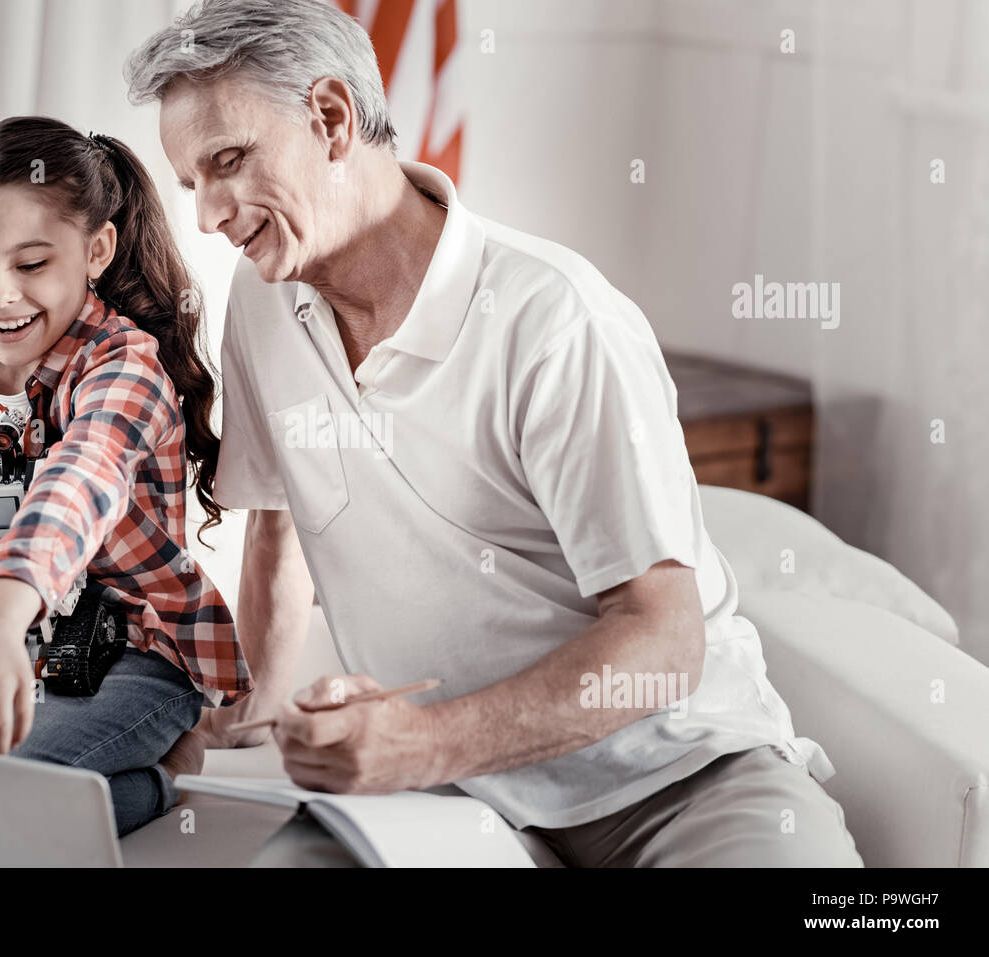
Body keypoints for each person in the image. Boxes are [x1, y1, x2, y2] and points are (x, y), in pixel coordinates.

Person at [125, 0, 863, 866]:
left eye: (229, 162)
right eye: (192, 184)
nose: (209, 215)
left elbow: (664, 635)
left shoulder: (554, 318)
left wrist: (422, 741)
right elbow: (277, 527)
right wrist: (239, 715)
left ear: (330, 118)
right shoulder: (264, 299)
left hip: (676, 779)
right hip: (446, 803)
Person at [0, 115, 252, 837]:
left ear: (95, 250)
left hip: (126, 653)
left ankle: (155, 781)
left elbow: (80, 477)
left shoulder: (125, 366)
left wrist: (1, 614)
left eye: (31, 265)